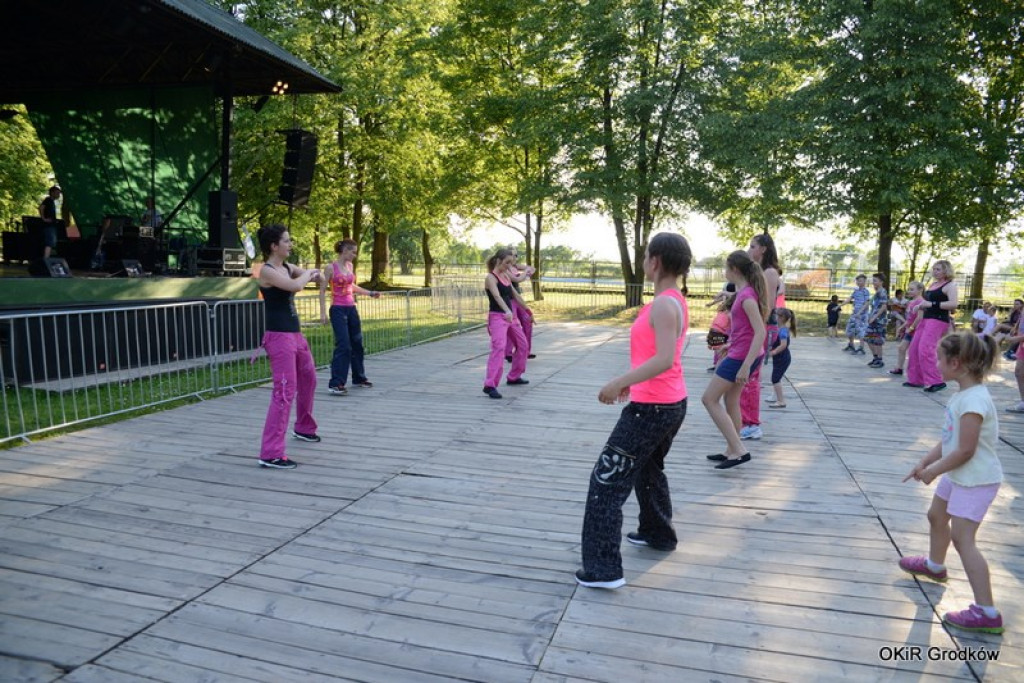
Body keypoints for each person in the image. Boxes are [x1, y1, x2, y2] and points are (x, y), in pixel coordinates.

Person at [576, 233, 691, 589]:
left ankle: (603, 569)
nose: (643, 263)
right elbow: (660, 358)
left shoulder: (663, 304)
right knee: (647, 469)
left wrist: (618, 382)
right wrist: (633, 383)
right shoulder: (674, 300)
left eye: (645, 257)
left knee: (606, 482)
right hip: (665, 401)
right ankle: (658, 533)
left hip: (653, 408)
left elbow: (664, 359)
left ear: (655, 261)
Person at [899, 333, 1004, 635]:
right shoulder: (962, 394)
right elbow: (950, 440)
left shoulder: (974, 401)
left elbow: (966, 450)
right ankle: (935, 565)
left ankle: (987, 612)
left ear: (956, 363)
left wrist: (933, 472)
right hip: (959, 474)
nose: (936, 362)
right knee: (935, 516)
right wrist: (925, 461)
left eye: (939, 359)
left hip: (976, 479)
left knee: (963, 540)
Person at [256, 224, 322, 469]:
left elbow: (306, 274)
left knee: (309, 378)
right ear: (274, 246)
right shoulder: (268, 271)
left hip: (296, 336)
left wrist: (317, 274)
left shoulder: (287, 267)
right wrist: (308, 275)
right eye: (286, 241)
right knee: (284, 392)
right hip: (279, 338)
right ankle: (271, 453)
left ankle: (304, 427)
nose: (290, 244)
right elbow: (295, 285)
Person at [702, 250, 769, 470]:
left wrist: (746, 365)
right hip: (740, 352)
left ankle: (739, 450)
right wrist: (730, 344)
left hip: (742, 358)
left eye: (726, 267)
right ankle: (732, 450)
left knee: (709, 399)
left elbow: (760, 332)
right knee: (731, 402)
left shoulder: (747, 297)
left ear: (735, 270)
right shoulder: (744, 292)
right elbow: (746, 330)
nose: (724, 271)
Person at [319, 239, 380, 396]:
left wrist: (369, 293)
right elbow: (322, 291)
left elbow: (351, 286)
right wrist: (323, 313)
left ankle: (359, 378)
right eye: (353, 251)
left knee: (357, 343)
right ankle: (336, 383)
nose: (355, 254)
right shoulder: (330, 268)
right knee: (344, 345)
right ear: (344, 251)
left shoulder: (349, 266)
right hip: (338, 309)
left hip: (351, 308)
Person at [739, 233, 780, 441]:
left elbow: (768, 304)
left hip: (760, 328)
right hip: (752, 328)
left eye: (752, 246)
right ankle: (745, 420)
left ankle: (752, 424)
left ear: (763, 249)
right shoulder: (757, 271)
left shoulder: (770, 273)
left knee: (751, 376)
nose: (749, 249)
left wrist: (756, 327)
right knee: (746, 376)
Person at [905, 261, 958, 393]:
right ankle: (917, 379)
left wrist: (931, 304)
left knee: (926, 349)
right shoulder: (933, 284)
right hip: (925, 319)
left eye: (938, 269)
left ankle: (936, 381)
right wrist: (921, 305)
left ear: (946, 270)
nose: (935, 271)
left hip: (938, 320)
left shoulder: (950, 285)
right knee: (914, 348)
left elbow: (953, 304)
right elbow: (927, 302)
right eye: (934, 269)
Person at [483, 248, 529, 399]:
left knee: (523, 345)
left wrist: (528, 310)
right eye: (507, 262)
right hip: (498, 317)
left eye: (512, 262)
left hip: (511, 318)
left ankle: (514, 376)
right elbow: (496, 296)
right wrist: (507, 312)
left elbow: (515, 295)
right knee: (499, 348)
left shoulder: (505, 275)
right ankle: (490, 385)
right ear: (498, 261)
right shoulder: (491, 277)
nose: (510, 265)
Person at [505, 249, 536, 361]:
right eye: (512, 255)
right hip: (509, 300)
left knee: (528, 321)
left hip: (518, 298)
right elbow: (517, 279)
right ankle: (508, 353)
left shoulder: (516, 266)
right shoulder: (504, 269)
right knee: (512, 325)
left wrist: (527, 270)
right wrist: (526, 272)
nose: (514, 258)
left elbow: (532, 269)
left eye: (516, 255)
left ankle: (525, 351)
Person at [889, 281, 923, 377]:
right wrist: (902, 326)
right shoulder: (910, 302)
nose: (909, 291)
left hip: (916, 331)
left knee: (915, 352)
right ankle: (899, 368)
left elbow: (919, 317)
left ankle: (918, 373)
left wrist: (911, 328)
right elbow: (909, 318)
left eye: (912, 289)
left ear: (920, 290)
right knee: (901, 348)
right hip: (909, 330)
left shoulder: (920, 302)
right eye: (909, 289)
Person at [766, 308, 795, 408]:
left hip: (782, 358)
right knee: (776, 377)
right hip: (780, 358)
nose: (775, 317)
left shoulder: (782, 330)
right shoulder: (781, 329)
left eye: (776, 315)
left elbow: (783, 345)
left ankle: (781, 401)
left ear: (781, 318)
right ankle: (776, 396)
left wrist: (773, 352)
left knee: (775, 378)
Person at [865, 273, 889, 368]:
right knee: (869, 338)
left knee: (878, 340)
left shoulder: (882, 292)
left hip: (879, 320)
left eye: (875, 280)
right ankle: (875, 358)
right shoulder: (877, 292)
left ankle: (880, 360)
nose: (873, 282)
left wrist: (874, 317)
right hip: (873, 319)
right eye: (873, 280)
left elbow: (884, 306)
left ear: (881, 282)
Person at [843, 274, 871, 354]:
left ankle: (861, 348)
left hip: (862, 315)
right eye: (858, 280)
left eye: (861, 280)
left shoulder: (866, 292)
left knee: (861, 331)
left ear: (865, 282)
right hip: (855, 314)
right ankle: (851, 345)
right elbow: (849, 299)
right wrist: (839, 306)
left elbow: (867, 304)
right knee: (849, 329)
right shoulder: (856, 291)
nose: (859, 282)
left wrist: (860, 313)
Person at [706, 293, 733, 373]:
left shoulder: (721, 310)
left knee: (720, 354)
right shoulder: (730, 313)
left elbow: (723, 299)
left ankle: (718, 369)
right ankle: (719, 373)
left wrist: (711, 303)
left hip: (712, 333)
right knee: (722, 356)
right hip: (718, 333)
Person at [38, 186, 62, 259]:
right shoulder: (48, 200)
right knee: (50, 242)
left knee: (51, 242)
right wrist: (44, 218)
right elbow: (41, 207)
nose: (59, 195)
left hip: (51, 225)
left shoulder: (51, 201)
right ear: (52, 193)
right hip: (48, 225)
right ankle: (46, 259)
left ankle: (47, 259)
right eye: (57, 193)